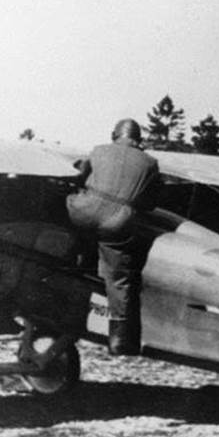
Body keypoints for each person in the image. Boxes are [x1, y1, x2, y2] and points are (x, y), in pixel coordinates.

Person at [66, 118, 160, 355]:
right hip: (118, 220)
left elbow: (78, 176)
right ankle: (120, 342)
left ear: (114, 135)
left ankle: (71, 268)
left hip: (83, 211)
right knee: (119, 279)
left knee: (66, 232)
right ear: (139, 140)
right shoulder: (150, 163)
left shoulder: (98, 151)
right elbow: (150, 203)